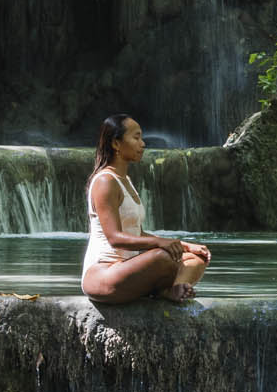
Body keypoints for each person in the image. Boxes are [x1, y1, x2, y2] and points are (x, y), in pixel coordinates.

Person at [81, 114, 210, 305]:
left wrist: (184, 245)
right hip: (103, 274)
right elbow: (114, 238)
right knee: (162, 258)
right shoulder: (105, 181)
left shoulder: (126, 181)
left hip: (128, 269)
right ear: (116, 144)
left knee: (196, 259)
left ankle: (171, 290)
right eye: (136, 137)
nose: (142, 144)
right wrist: (160, 242)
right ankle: (165, 290)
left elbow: (137, 233)